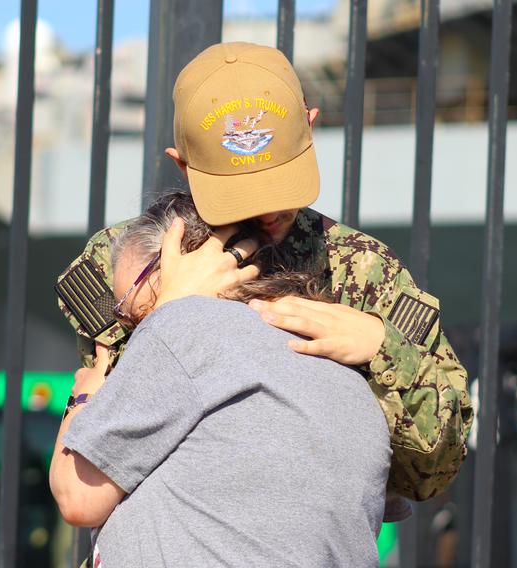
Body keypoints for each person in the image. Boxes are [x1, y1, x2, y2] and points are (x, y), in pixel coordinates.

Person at [56, 42, 472, 502]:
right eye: (240, 191)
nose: (270, 211)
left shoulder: (363, 270)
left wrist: (381, 349)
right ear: (183, 165)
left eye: (280, 181)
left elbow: (433, 473)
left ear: (311, 129)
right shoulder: (126, 261)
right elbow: (106, 439)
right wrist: (172, 311)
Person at [50, 193, 392, 567]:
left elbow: (78, 496)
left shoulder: (183, 329)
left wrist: (84, 396)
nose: (130, 335)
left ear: (184, 262)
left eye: (131, 312)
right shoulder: (355, 388)